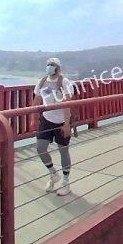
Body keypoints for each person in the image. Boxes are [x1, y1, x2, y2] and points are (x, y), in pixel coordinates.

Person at [32, 57, 74, 196]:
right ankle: (53, 174)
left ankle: (66, 182)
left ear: (58, 68)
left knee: (63, 151)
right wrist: (33, 118)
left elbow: (67, 104)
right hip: (46, 120)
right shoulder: (42, 81)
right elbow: (36, 100)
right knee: (40, 148)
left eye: (53, 65)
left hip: (62, 121)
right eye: (48, 64)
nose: (50, 66)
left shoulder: (64, 82)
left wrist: (67, 124)